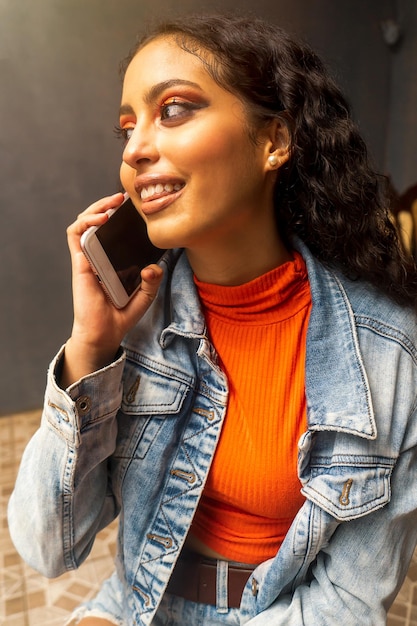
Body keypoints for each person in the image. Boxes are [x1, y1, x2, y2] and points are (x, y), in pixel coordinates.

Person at [8, 12, 417, 626]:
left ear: (274, 141)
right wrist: (89, 350)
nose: (136, 149)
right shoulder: (135, 322)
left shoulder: (385, 351)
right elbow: (46, 548)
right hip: (139, 599)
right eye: (127, 127)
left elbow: (349, 603)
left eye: (173, 109)